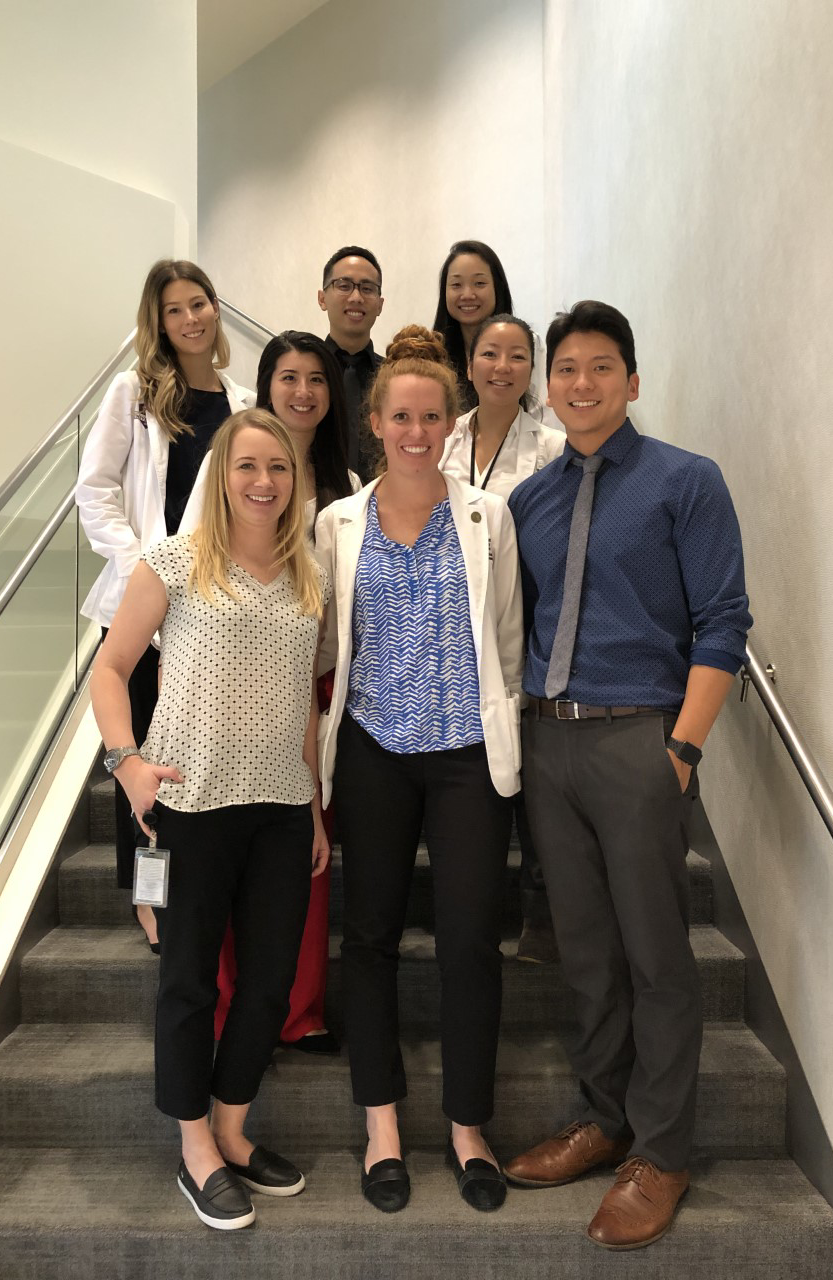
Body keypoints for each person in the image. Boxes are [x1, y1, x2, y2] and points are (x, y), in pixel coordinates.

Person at [503, 302, 752, 1250]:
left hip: (640, 738)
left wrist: (682, 749)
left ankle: (663, 1149)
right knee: (587, 952)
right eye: (565, 370)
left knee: (656, 953)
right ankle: (605, 1120)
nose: (581, 384)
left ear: (632, 381)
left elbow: (724, 621)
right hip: (549, 743)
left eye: (601, 368)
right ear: (549, 386)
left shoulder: (687, 483)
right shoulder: (531, 502)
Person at [91, 408, 330, 1230]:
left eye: (279, 469)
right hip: (188, 806)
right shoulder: (173, 563)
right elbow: (111, 670)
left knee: (267, 983)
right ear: (221, 474)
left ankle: (231, 1129)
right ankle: (194, 1149)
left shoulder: (309, 575)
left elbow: (305, 701)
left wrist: (317, 805)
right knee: (190, 983)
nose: (264, 482)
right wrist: (127, 763)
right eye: (247, 466)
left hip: (281, 810)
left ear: (294, 481)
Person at [315, 325, 523, 1216]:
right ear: (374, 421)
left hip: (466, 756)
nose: (416, 430)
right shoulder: (336, 524)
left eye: (432, 415)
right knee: (368, 939)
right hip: (370, 752)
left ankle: (470, 1126)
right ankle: (383, 1124)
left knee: (472, 937)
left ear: (450, 421)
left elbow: (506, 642)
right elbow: (319, 648)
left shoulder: (488, 516)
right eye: (400, 414)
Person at [181, 331, 359, 1054]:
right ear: (266, 385)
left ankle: (299, 1009)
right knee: (228, 862)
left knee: (304, 862)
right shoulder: (231, 461)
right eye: (288, 377)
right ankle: (231, 1010)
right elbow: (191, 569)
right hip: (228, 681)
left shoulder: (346, 482)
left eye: (317, 379)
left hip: (315, 683)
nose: (304, 392)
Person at [76, 259, 254, 952]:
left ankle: (210, 890)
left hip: (210, 612)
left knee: (190, 760)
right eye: (175, 309)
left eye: (200, 303)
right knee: (140, 769)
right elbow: (95, 491)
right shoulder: (135, 393)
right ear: (159, 321)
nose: (191, 318)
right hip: (142, 610)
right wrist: (144, 569)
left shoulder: (241, 403)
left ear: (216, 308)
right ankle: (150, 902)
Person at [440, 314, 566, 963]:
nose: (502, 366)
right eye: (490, 353)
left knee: (526, 774)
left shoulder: (550, 446)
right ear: (470, 364)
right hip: (449, 633)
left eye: (518, 356)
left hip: (529, 622)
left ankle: (541, 918)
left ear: (530, 370)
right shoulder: (443, 439)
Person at [318, 245, 385, 482]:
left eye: (367, 289)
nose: (356, 297)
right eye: (344, 286)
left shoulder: (393, 377)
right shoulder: (303, 374)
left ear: (380, 304)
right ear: (322, 298)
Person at [432, 240, 514, 412]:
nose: (467, 294)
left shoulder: (525, 347)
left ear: (497, 288)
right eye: (456, 285)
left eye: (479, 283)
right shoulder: (432, 354)